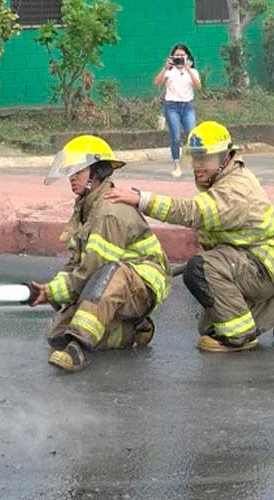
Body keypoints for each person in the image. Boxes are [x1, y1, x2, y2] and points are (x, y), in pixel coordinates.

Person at [105, 121, 274, 353]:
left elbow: (191, 212)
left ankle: (240, 337)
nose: (197, 166)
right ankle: (248, 321)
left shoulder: (235, 189)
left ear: (226, 158)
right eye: (195, 158)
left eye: (204, 159)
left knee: (201, 270)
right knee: (209, 327)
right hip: (253, 262)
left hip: (263, 266)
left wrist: (141, 200)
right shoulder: (225, 179)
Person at [29, 135, 171, 372]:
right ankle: (130, 329)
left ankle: (79, 350)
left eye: (78, 170)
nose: (71, 176)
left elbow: (95, 267)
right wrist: (50, 290)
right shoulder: (87, 208)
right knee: (57, 334)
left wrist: (55, 292)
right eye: (70, 170)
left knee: (111, 274)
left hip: (141, 283)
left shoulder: (108, 213)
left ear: (96, 173)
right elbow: (77, 263)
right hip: (111, 281)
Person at [154, 44, 201, 178]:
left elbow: (198, 86)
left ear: (187, 57)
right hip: (171, 106)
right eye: (177, 56)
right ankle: (176, 166)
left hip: (187, 106)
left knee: (192, 134)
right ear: (172, 57)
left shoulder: (193, 71)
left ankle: (190, 162)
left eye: (182, 56)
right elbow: (157, 82)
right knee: (175, 136)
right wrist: (165, 68)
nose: (179, 58)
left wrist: (189, 69)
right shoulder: (169, 71)